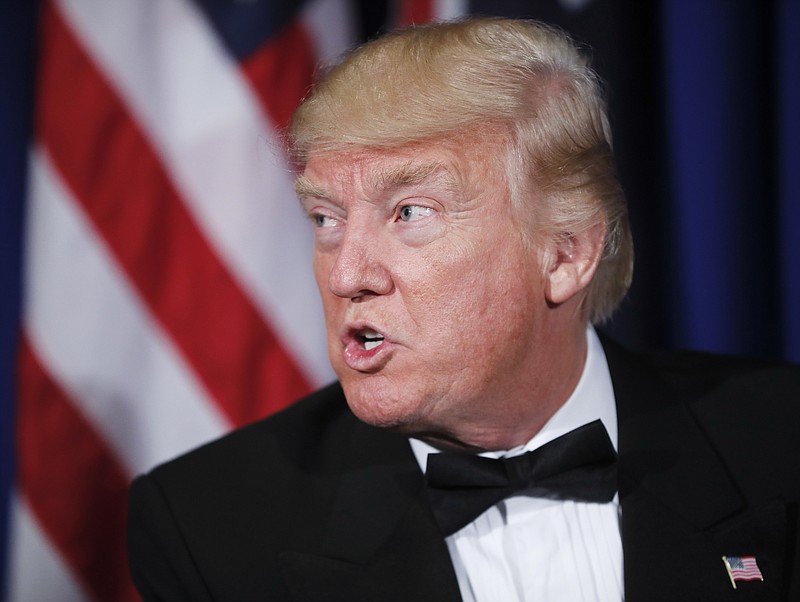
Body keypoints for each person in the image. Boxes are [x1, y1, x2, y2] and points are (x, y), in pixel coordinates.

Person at [127, 17, 800, 601]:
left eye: (409, 212)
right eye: (326, 218)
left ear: (565, 254)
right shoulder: (211, 525)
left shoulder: (779, 445)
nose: (347, 273)